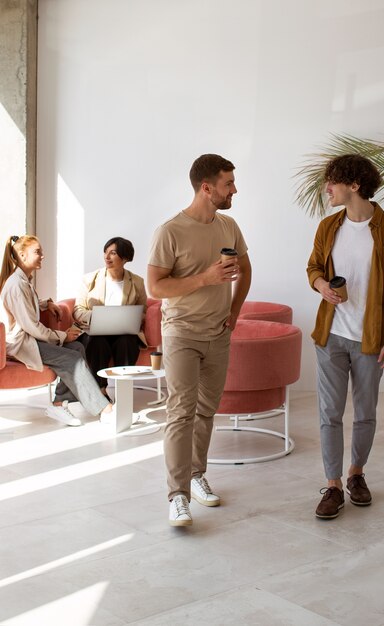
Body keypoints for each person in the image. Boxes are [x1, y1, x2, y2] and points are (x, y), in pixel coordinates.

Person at [307, 154, 384, 519]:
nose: (327, 190)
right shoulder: (328, 227)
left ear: (354, 185)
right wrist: (321, 285)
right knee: (329, 413)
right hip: (331, 335)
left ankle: (357, 474)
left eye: (332, 182)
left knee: (365, 413)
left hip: (371, 339)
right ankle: (333, 484)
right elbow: (314, 267)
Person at [148, 154, 252, 526]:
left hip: (218, 334)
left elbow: (246, 268)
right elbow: (155, 286)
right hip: (180, 334)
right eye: (228, 184)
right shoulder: (170, 231)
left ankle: (195, 476)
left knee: (206, 411)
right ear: (207, 188)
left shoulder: (229, 225)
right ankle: (176, 495)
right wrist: (206, 279)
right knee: (181, 413)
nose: (234, 189)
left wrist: (235, 311)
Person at [0, 235, 114, 427]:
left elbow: (28, 306)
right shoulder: (16, 284)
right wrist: (62, 335)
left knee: (77, 347)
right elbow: (31, 327)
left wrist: (46, 304)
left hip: (31, 338)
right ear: (22, 255)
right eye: (37, 252)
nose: (42, 256)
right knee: (73, 358)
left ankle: (59, 403)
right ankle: (106, 410)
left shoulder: (23, 280)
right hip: (21, 344)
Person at [73, 237, 148, 399]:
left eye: (113, 253)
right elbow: (78, 310)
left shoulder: (137, 282)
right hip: (94, 331)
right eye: (105, 252)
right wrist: (98, 316)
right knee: (97, 342)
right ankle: (100, 390)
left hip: (123, 331)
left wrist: (133, 317)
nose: (107, 257)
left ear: (125, 258)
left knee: (127, 341)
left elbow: (143, 310)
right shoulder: (89, 279)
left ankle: (123, 390)